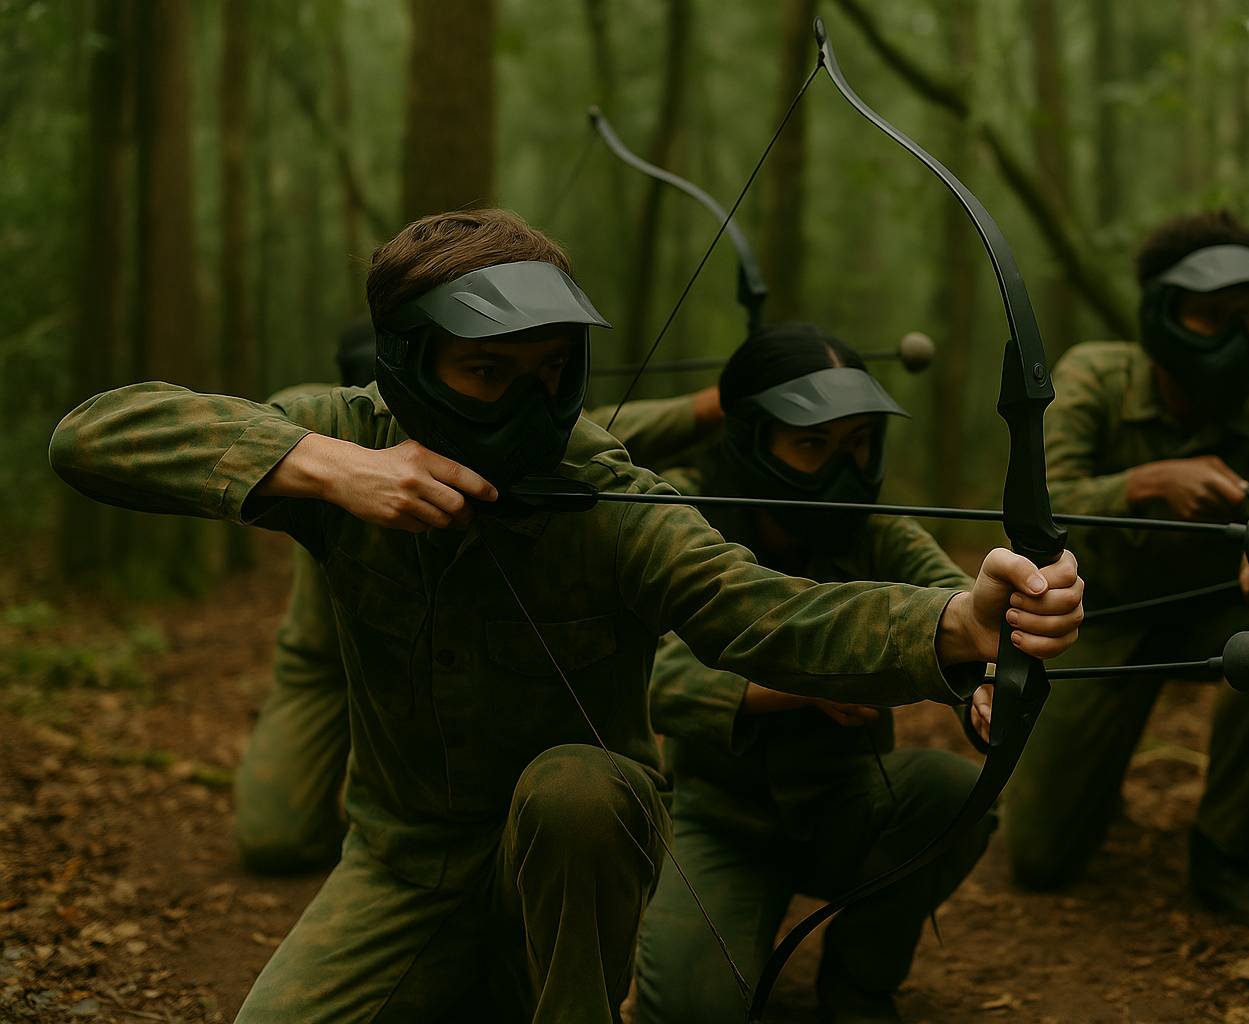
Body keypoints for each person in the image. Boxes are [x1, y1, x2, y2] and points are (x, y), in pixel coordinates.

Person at [49, 208, 1084, 1022]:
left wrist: (958, 621)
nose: (528, 410)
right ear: (412, 360)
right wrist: (329, 470)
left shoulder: (609, 492)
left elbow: (759, 612)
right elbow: (95, 433)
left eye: (550, 376)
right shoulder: (347, 435)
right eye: (487, 373)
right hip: (401, 860)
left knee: (576, 787)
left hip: (588, 840)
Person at [233, 325, 725, 875]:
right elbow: (250, 427)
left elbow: (607, 430)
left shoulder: (488, 428)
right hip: (325, 668)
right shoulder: (331, 428)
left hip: (433, 670)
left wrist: (708, 407)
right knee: (274, 837)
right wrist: (336, 466)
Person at [632, 323, 993, 1024]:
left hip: (846, 801)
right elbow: (652, 678)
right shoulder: (684, 524)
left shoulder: (874, 530)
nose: (843, 470)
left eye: (858, 444)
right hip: (719, 820)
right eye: (812, 445)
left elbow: (952, 598)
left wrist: (982, 673)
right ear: (752, 440)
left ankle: (859, 984)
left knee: (954, 790)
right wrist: (804, 682)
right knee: (688, 1009)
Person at [1002, 210, 1249, 930]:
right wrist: (1143, 484)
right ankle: (1094, 776)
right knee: (1040, 861)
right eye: (1211, 316)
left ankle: (1226, 852)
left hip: (1218, 617)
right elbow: (1036, 510)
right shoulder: (1095, 378)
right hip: (1098, 620)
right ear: (1163, 313)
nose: (1236, 336)